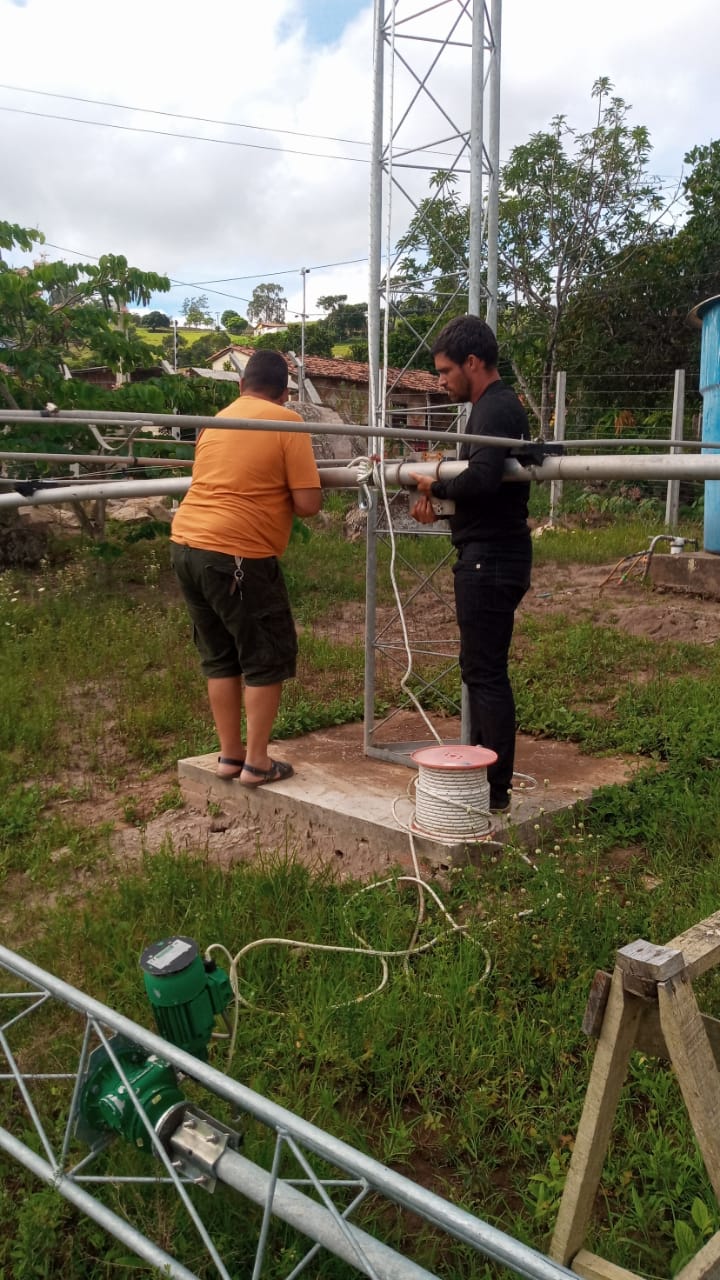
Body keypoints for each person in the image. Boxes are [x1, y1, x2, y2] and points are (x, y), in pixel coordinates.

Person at [170, 349, 322, 786]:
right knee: (263, 656)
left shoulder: (215, 422)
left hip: (186, 545)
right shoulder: (287, 423)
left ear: (241, 386)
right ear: (285, 392)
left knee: (219, 656)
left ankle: (230, 756)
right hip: (237, 553)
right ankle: (257, 763)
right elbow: (308, 504)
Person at [409, 315, 531, 812]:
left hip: (491, 560)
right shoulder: (490, 407)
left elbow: (481, 479)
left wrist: (434, 484)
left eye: (445, 371)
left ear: (473, 362)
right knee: (480, 671)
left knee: (485, 674)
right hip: (490, 555)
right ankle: (484, 780)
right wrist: (442, 500)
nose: (441, 381)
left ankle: (493, 789)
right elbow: (484, 486)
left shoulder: (494, 408)